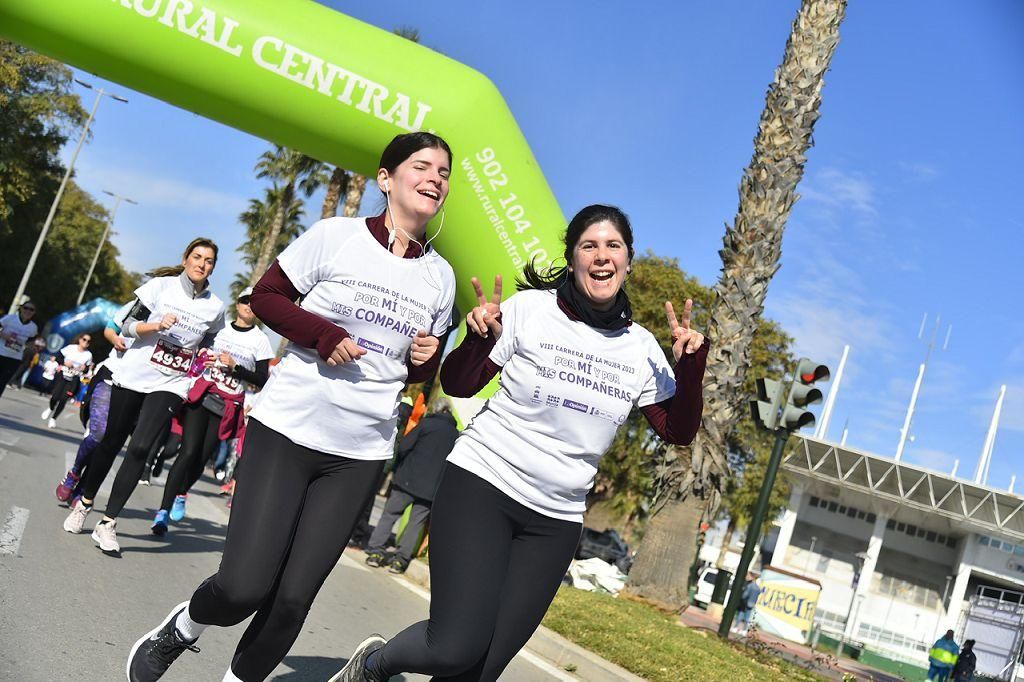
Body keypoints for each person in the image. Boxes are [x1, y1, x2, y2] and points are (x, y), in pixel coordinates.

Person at [127, 131, 456, 682]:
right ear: (386, 178)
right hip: (289, 428)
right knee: (242, 587)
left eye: (444, 173)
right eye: (422, 166)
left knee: (291, 601)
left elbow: (417, 370)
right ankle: (183, 627)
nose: (434, 179)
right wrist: (323, 334)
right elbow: (267, 297)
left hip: (358, 451)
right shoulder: (336, 236)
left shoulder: (439, 277)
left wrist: (429, 356)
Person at [335, 204, 708, 682]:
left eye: (613, 246)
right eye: (588, 245)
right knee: (453, 647)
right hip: (483, 486)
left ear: (628, 261)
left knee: (483, 669)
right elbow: (459, 383)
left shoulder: (640, 347)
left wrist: (691, 367)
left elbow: (678, 430)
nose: (601, 255)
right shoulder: (530, 311)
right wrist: (475, 340)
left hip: (555, 520)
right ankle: (373, 665)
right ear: (571, 259)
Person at [62, 238, 225, 554]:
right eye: (197, 257)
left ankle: (108, 523)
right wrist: (154, 326)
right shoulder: (160, 288)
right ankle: (84, 502)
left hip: (171, 382)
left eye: (208, 260)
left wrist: (209, 354)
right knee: (111, 442)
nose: (202, 264)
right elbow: (126, 324)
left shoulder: (215, 306)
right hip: (135, 373)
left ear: (212, 267)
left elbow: (211, 339)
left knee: (140, 448)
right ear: (186, 258)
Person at [151, 286, 273, 536]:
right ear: (237, 304)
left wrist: (236, 368)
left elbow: (262, 379)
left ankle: (182, 493)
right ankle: (162, 512)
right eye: (244, 301)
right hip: (202, 396)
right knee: (188, 451)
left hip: (227, 406)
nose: (249, 306)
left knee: (201, 458)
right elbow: (195, 348)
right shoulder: (220, 329)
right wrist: (202, 357)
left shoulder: (260, 341)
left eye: (254, 302)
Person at [365, 396, 459, 574]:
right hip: (431, 489)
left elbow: (404, 447)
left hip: (407, 480)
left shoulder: (427, 425)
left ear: (436, 410)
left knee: (390, 514)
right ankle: (400, 561)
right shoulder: (455, 435)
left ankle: (376, 552)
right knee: (416, 523)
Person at [56, 301, 134, 503]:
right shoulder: (141, 303)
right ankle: (74, 473)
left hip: (140, 390)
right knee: (98, 433)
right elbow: (110, 328)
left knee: (110, 444)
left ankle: (83, 489)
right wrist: (115, 338)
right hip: (111, 377)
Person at [41, 333, 94, 428]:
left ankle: (53, 418)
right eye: (84, 339)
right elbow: (57, 357)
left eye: (88, 341)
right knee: (55, 396)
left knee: (63, 399)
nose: (86, 342)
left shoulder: (88, 355)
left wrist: (84, 368)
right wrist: (65, 362)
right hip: (62, 375)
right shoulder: (71, 348)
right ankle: (50, 407)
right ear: (80, 339)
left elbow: (87, 369)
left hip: (74, 379)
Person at [0, 299, 39, 399]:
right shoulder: (10, 318)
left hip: (14, 358)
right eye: (26, 308)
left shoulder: (33, 328)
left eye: (31, 310)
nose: (28, 311)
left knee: (2, 383)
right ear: (21, 309)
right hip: (1, 353)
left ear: (34, 313)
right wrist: (5, 336)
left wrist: (28, 346)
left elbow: (32, 341)